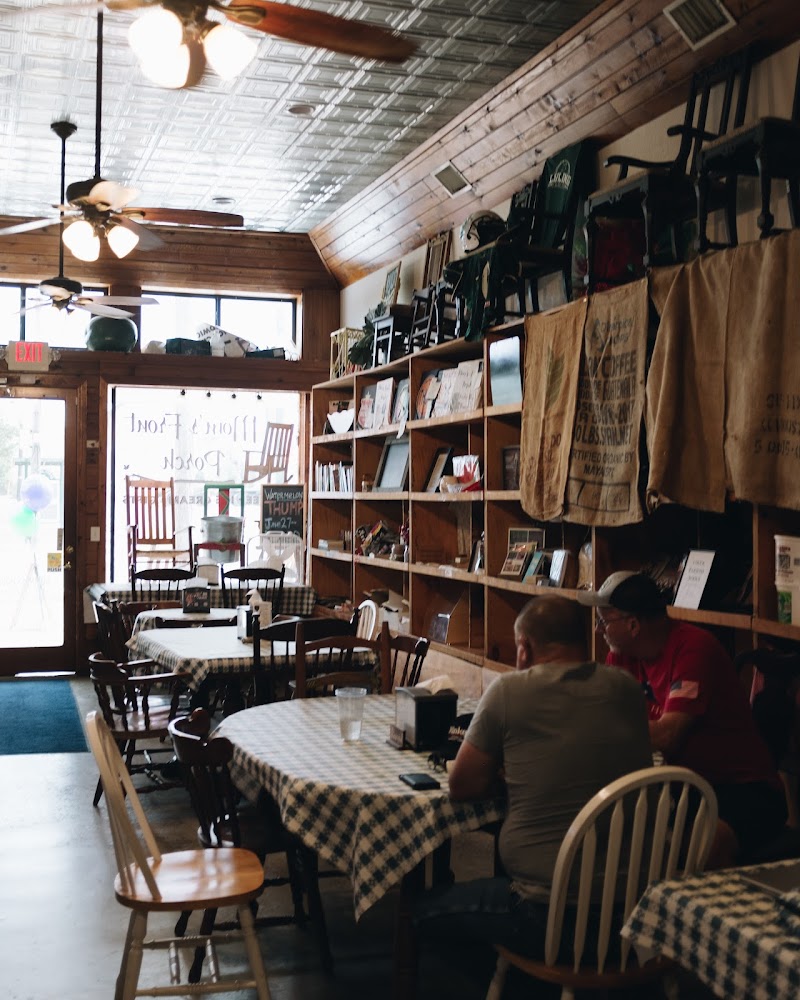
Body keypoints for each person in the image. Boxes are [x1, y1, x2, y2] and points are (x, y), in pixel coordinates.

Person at [413, 594, 652, 962]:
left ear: (524, 647)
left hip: (542, 907)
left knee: (417, 909)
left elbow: (462, 786)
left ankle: (514, 977)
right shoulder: (625, 688)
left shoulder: (510, 691)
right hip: (627, 903)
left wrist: (502, 773)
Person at [577, 570, 787, 865]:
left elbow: (667, 735)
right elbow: (612, 720)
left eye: (603, 621)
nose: (600, 630)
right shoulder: (622, 654)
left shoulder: (693, 648)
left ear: (633, 624)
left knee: (694, 855)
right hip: (681, 785)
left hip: (742, 789)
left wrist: (596, 728)